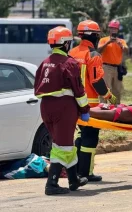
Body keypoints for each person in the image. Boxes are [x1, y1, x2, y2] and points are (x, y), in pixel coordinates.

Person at [34, 26, 89, 195]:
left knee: (64, 143)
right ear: (65, 44)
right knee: (62, 146)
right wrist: (85, 109)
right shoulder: (70, 63)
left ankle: (74, 180)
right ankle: (52, 184)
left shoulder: (44, 63)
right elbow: (79, 90)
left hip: (45, 107)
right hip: (63, 108)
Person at [69, 20, 117, 182]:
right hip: (90, 105)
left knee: (80, 136)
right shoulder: (93, 55)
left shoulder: (72, 53)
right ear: (94, 36)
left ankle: (76, 169)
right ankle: (85, 172)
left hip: (72, 103)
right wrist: (109, 95)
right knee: (90, 138)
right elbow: (97, 81)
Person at [97, 19, 129, 104]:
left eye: (115, 29)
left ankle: (115, 107)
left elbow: (127, 51)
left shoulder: (121, 41)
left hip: (118, 68)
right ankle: (103, 106)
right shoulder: (103, 40)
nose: (113, 30)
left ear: (118, 30)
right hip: (106, 67)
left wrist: (121, 45)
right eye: (112, 28)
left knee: (117, 90)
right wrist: (108, 42)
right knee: (106, 89)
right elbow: (99, 50)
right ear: (109, 29)